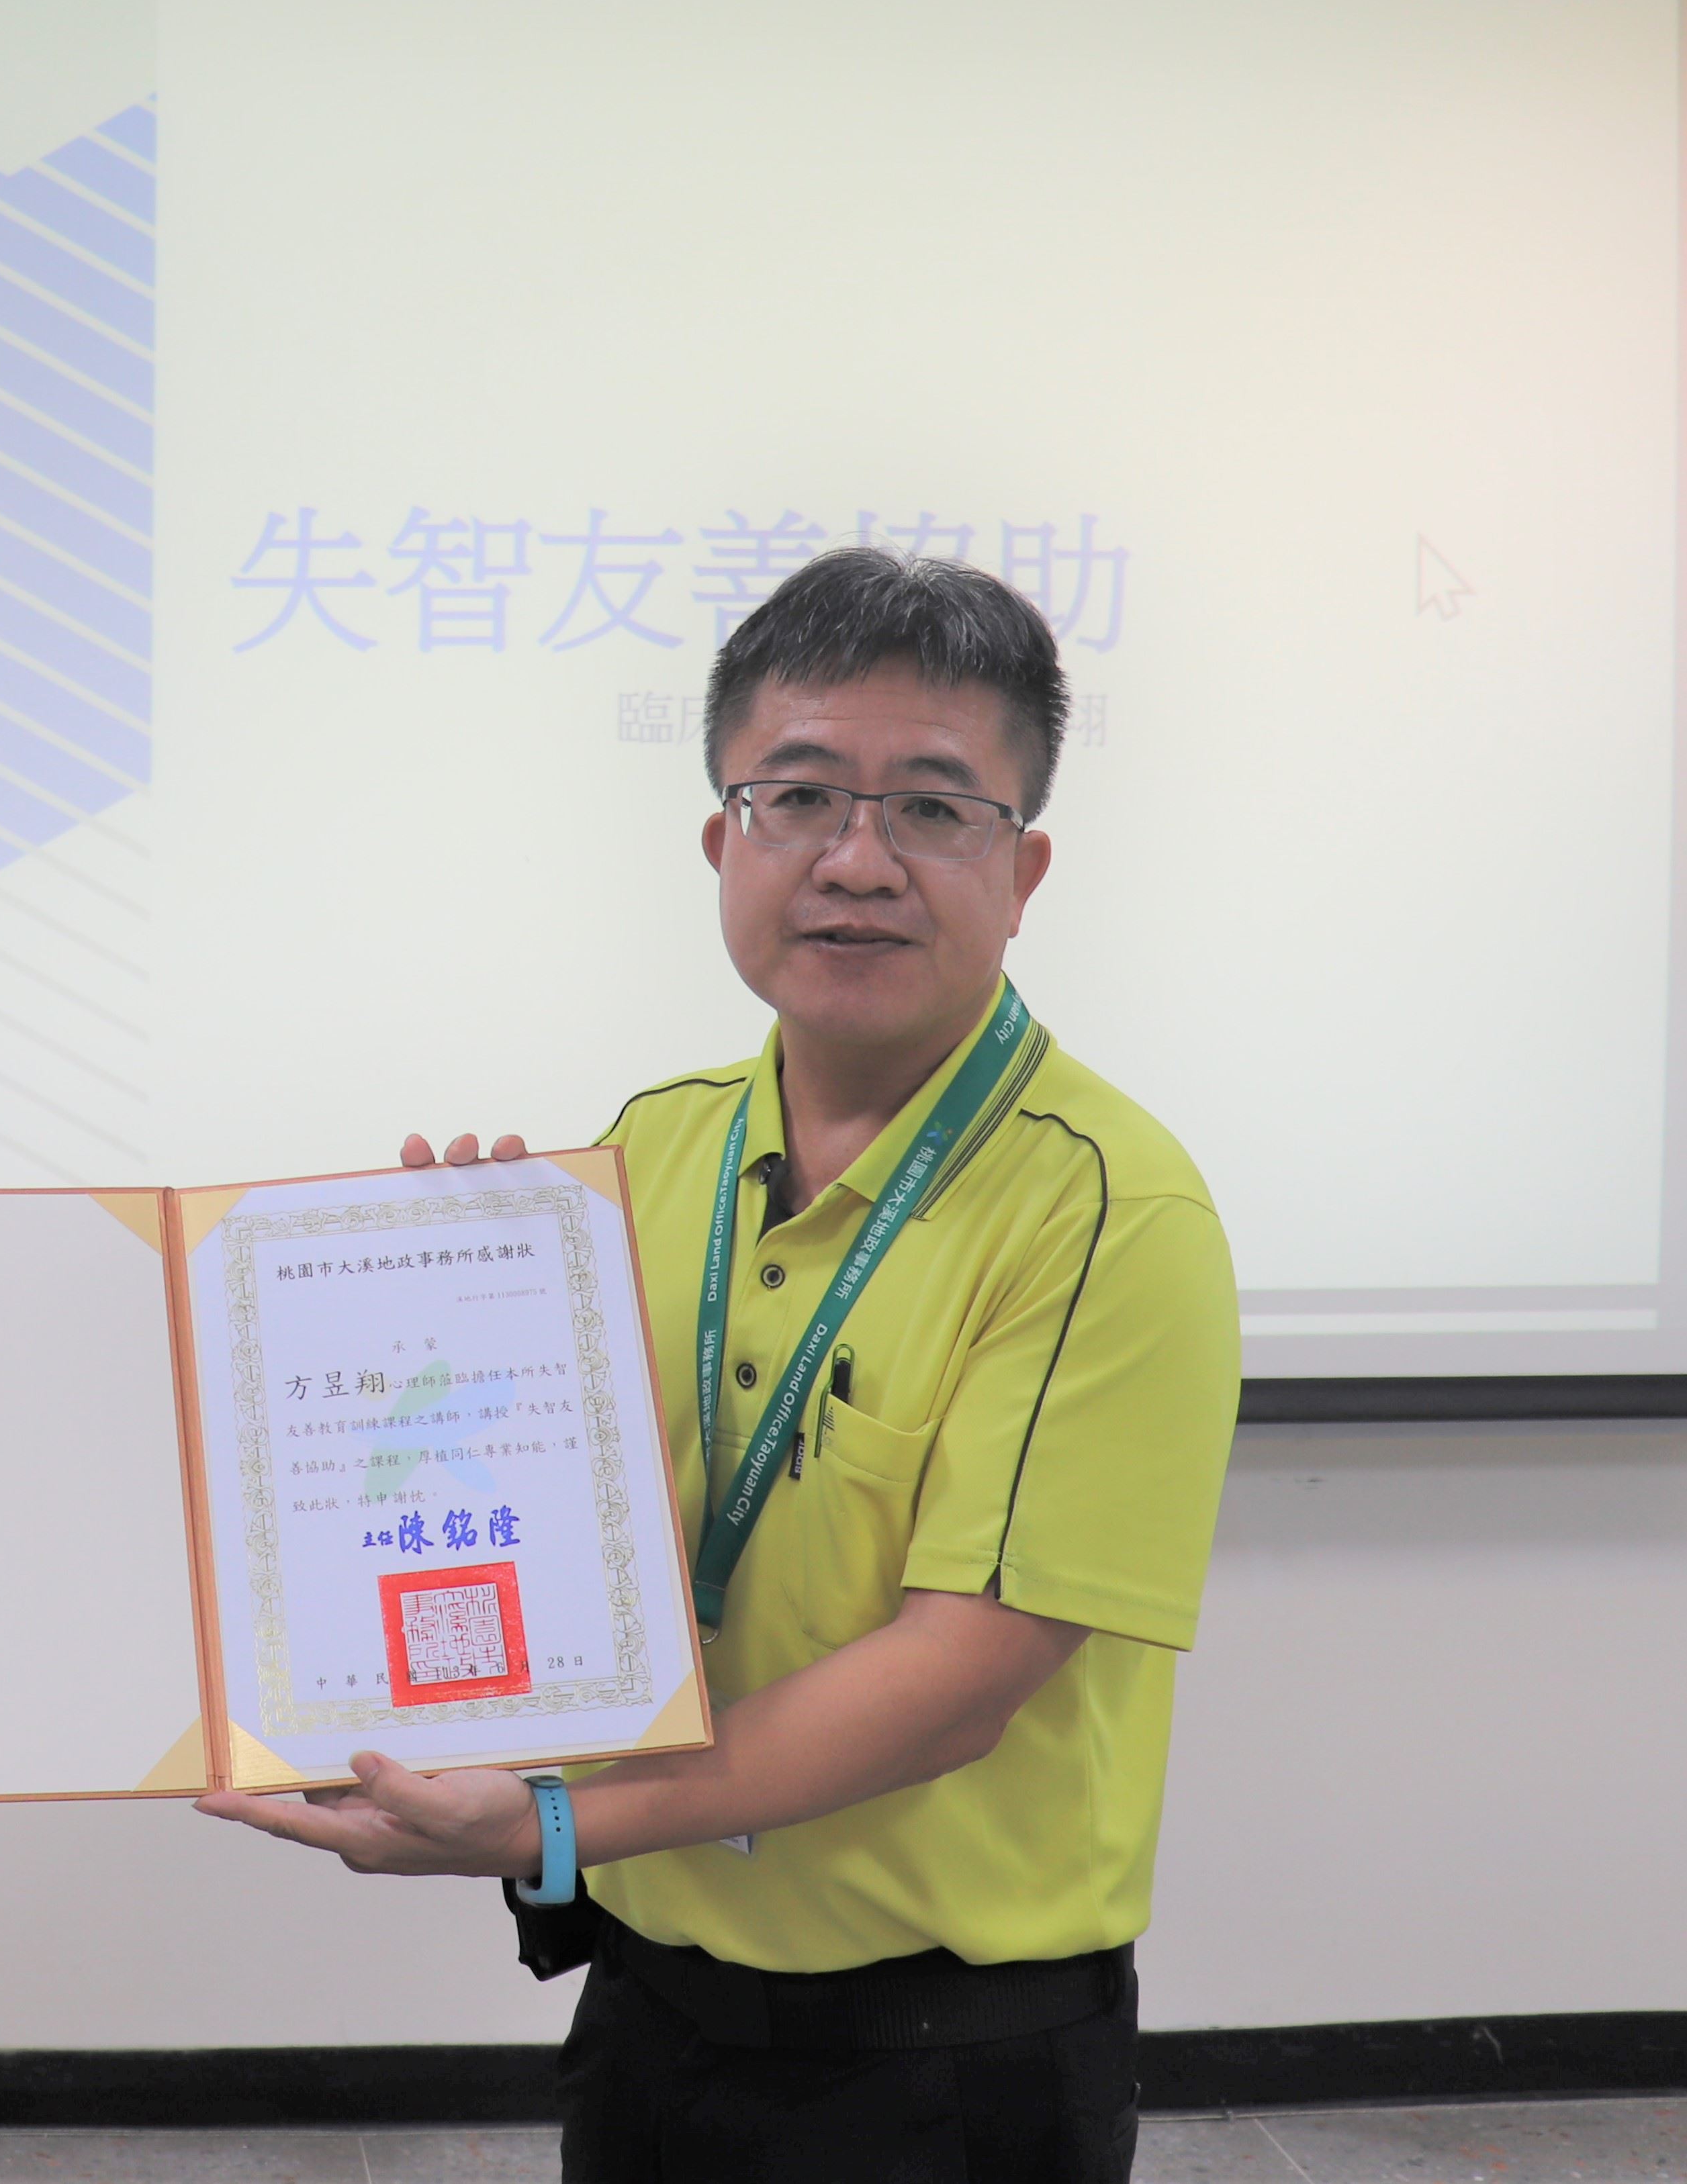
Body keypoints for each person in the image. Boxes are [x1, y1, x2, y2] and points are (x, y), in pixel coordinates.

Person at [203, 548, 1240, 2183]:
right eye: (798, 795)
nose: (855, 859)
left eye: (930, 807)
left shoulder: (1109, 1206)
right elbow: (561, 1552)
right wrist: (438, 1320)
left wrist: (548, 1821)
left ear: (1021, 867)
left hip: (945, 2063)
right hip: (651, 2005)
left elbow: (961, 1673)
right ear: (720, 840)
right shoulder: (646, 1151)